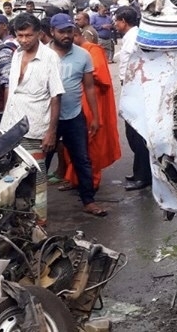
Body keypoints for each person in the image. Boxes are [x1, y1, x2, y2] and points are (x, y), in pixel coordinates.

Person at [0, 13, 64, 226]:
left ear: (38, 34)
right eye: (20, 35)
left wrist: (51, 131)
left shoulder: (49, 57)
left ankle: (40, 221)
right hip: (11, 126)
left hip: (36, 127)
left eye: (28, 35)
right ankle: (20, 219)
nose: (24, 40)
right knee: (13, 175)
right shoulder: (16, 54)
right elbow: (11, 91)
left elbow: (56, 96)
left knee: (37, 176)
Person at [47, 13, 107, 217]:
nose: (66, 35)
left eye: (69, 31)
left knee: (82, 159)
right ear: (52, 32)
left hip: (74, 116)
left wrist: (96, 118)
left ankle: (89, 200)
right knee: (41, 162)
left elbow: (89, 87)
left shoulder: (83, 55)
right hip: (47, 119)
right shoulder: (44, 55)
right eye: (61, 31)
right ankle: (33, 205)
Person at [63, 27, 121, 190]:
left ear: (76, 36)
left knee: (90, 142)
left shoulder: (92, 50)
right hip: (77, 101)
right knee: (75, 144)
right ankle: (76, 179)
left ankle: (90, 182)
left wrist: (80, 71)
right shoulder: (77, 52)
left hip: (91, 103)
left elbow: (100, 76)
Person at [114, 6, 152, 191]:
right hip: (129, 86)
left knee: (137, 134)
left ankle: (143, 176)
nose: (115, 24)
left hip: (136, 88)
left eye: (116, 21)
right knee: (132, 133)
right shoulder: (130, 37)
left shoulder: (135, 38)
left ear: (123, 21)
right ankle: (139, 172)